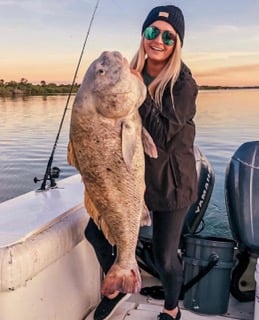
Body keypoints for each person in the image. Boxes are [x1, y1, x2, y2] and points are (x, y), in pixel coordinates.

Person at [85, 4, 198, 320]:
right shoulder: (131, 71)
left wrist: (139, 92)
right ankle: (120, 277)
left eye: (168, 36)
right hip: (133, 175)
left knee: (165, 257)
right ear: (143, 35)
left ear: (177, 44)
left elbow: (161, 136)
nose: (158, 40)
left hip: (170, 183)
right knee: (94, 233)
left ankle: (171, 309)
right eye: (152, 31)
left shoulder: (184, 84)